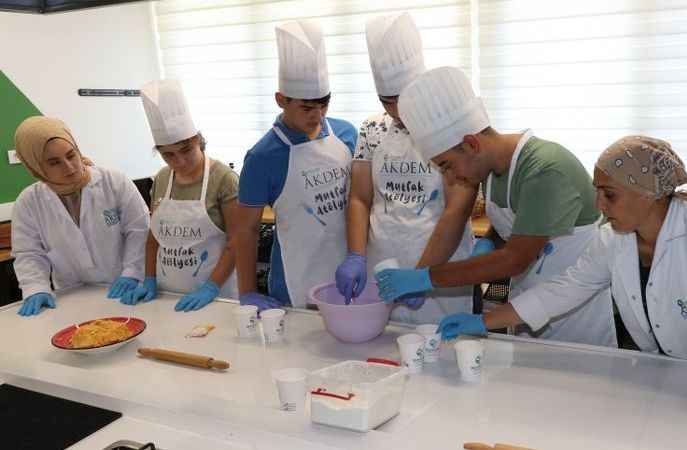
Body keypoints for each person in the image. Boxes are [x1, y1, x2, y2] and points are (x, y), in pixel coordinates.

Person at [438, 135, 687, 442]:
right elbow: (565, 289)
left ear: (648, 193)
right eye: (598, 193)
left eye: (609, 194)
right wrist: (484, 321)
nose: (598, 205)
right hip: (682, 379)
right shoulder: (613, 239)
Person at [377, 66, 615, 346]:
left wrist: (425, 278)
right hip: (527, 306)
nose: (451, 177)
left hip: (577, 318)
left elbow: (515, 259)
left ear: (471, 144)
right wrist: (489, 241)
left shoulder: (545, 170)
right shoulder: (492, 171)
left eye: (447, 165)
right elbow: (518, 224)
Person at [333, 13, 477, 324]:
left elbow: (456, 209)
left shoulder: (451, 128)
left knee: (441, 344)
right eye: (387, 101)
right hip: (383, 263)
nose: (397, 110)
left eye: (403, 99)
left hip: (440, 268)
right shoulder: (372, 129)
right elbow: (359, 198)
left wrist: (422, 276)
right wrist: (356, 255)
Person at [234, 20, 357, 310]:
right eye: (307, 107)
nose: (318, 115)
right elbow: (246, 231)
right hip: (295, 281)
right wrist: (247, 291)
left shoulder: (347, 135)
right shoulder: (261, 157)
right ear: (281, 100)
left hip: (350, 274)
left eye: (324, 104)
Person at [121, 80, 239, 311]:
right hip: (166, 294)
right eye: (169, 155)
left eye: (186, 150)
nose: (180, 161)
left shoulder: (224, 179)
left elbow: (237, 242)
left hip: (215, 295)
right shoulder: (162, 179)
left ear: (198, 140)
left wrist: (211, 288)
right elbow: (154, 237)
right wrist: (149, 278)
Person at [12, 116, 149, 316]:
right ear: (35, 167)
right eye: (54, 162)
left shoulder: (114, 182)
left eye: (71, 155)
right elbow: (29, 253)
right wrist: (36, 288)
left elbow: (139, 230)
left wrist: (132, 272)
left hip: (128, 289)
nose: (69, 167)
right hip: (74, 296)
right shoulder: (29, 202)